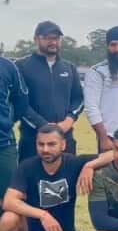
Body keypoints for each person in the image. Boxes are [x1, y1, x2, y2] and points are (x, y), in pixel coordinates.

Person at [0, 125, 107, 231]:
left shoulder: (74, 163)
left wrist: (89, 166)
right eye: (40, 144)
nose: (45, 149)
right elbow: (9, 201)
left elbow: (113, 154)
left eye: (51, 144)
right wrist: (43, 215)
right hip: (29, 228)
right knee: (8, 218)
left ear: (63, 145)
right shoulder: (27, 166)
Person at [16, 20, 84, 160]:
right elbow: (19, 102)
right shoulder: (21, 66)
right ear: (36, 39)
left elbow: (78, 99)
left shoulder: (69, 68)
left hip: (65, 139)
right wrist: (44, 125)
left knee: (67, 180)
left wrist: (69, 120)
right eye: (48, 38)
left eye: (56, 38)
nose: (53, 42)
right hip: (32, 140)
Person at [0, 55, 28, 231]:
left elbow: (21, 101)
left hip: (3, 144)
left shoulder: (8, 66)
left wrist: (6, 123)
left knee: (8, 200)